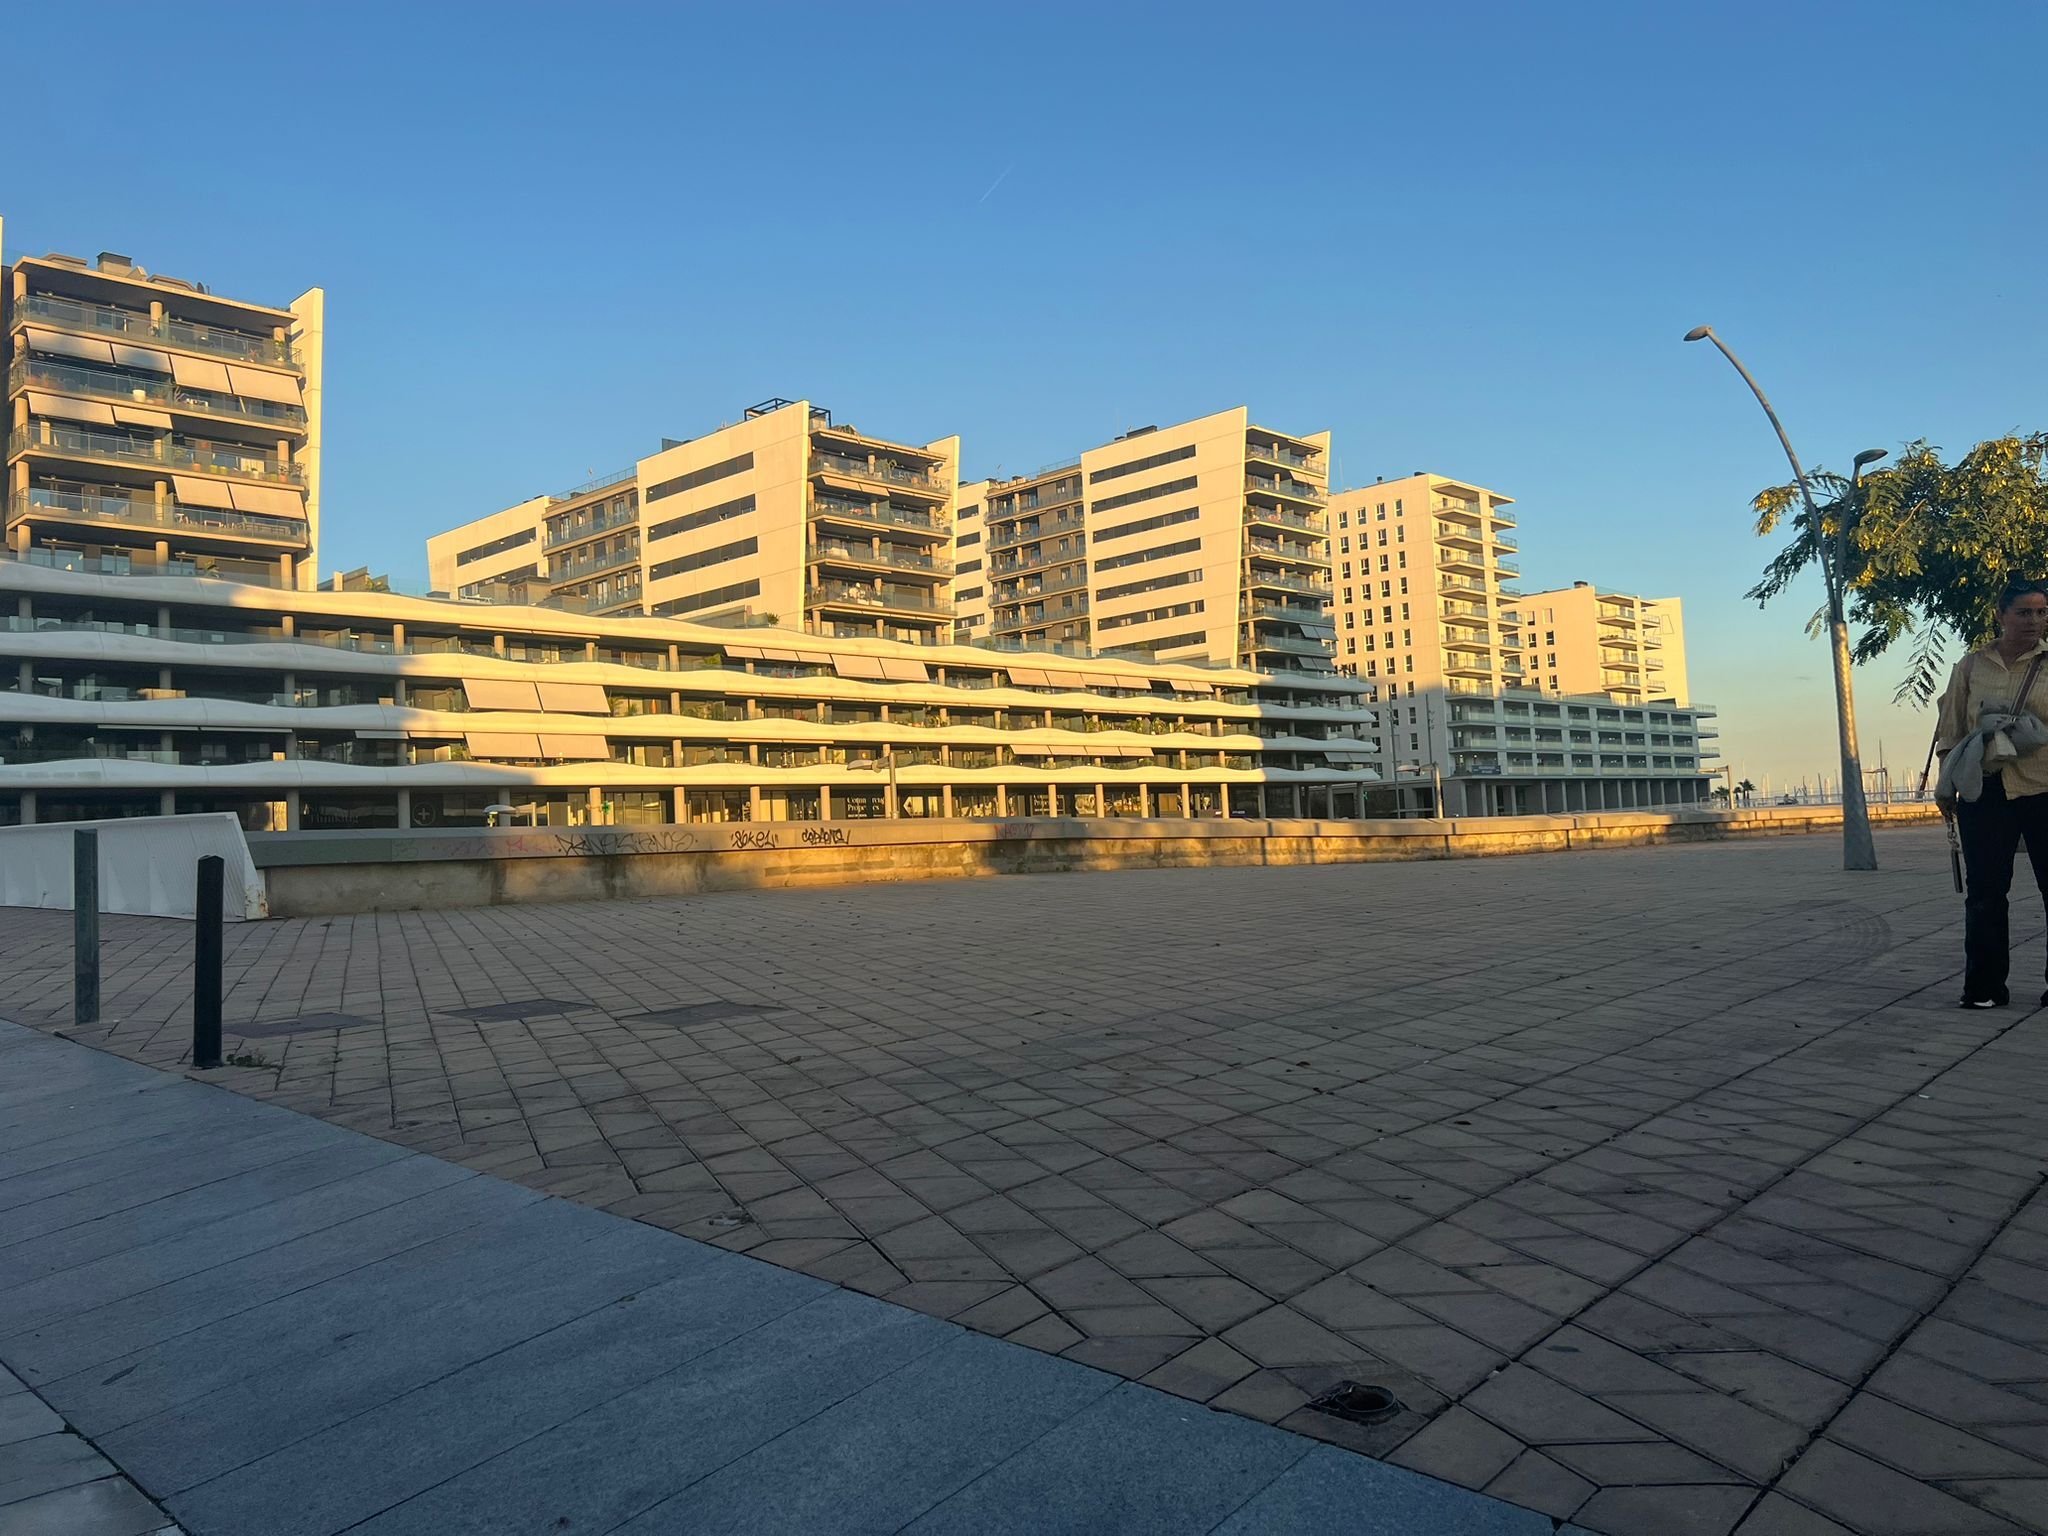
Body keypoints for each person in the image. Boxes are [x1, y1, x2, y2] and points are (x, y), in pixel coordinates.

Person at [1934, 579, 2048, 1006]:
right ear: (2000, 615)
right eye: (2024, 612)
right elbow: (1952, 729)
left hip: (2044, 786)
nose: (2034, 621)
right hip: (1986, 790)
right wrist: (1946, 785)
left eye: (2041, 612)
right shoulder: (1971, 665)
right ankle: (1983, 988)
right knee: (1985, 892)